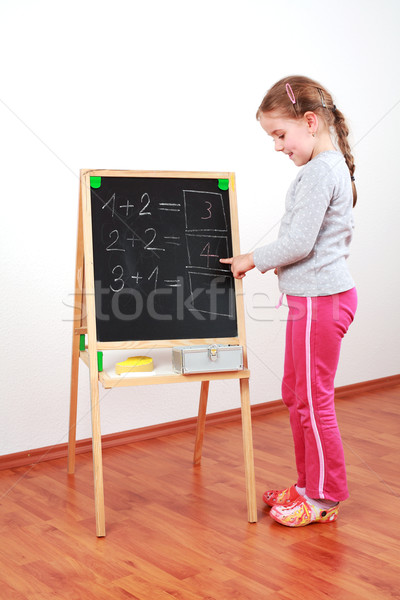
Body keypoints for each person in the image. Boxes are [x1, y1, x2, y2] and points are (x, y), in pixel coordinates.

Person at [220, 75, 358, 527]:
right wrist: (282, 263)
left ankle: (323, 496)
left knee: (313, 399)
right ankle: (306, 484)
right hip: (311, 299)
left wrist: (253, 259)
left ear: (310, 122)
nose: (278, 146)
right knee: (295, 394)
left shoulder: (321, 170)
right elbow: (309, 242)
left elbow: (299, 241)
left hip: (322, 301)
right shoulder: (320, 169)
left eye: (280, 134)